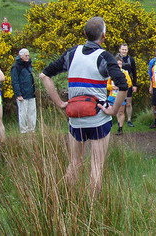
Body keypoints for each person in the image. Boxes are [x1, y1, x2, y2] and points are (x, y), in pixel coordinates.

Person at [40, 17, 127, 195]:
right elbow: (123, 86)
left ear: (84, 34)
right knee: (96, 167)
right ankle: (92, 210)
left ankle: (63, 202)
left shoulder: (72, 53)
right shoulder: (105, 57)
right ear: (103, 36)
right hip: (98, 119)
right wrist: (113, 110)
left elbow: (44, 76)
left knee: (74, 164)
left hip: (75, 119)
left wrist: (60, 103)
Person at [11, 48, 37, 133]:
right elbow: (15, 81)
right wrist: (18, 94)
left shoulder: (28, 65)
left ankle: (32, 130)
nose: (27, 57)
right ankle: (23, 131)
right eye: (26, 55)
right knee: (23, 113)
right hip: (22, 94)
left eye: (28, 55)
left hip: (30, 93)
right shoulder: (16, 67)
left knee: (32, 113)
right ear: (21, 56)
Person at [107, 55, 132, 135]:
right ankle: (108, 127)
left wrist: (121, 86)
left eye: (120, 64)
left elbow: (129, 83)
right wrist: (112, 87)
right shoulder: (110, 73)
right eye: (117, 64)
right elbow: (106, 85)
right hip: (112, 96)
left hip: (121, 95)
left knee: (120, 112)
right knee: (109, 111)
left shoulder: (125, 72)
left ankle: (120, 128)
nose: (119, 65)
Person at [118, 44, 137, 127]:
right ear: (119, 50)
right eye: (123, 49)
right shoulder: (115, 59)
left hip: (128, 83)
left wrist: (134, 85)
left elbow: (134, 73)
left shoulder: (131, 60)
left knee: (128, 103)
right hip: (118, 84)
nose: (124, 51)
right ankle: (119, 121)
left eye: (125, 49)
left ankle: (129, 120)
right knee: (119, 102)